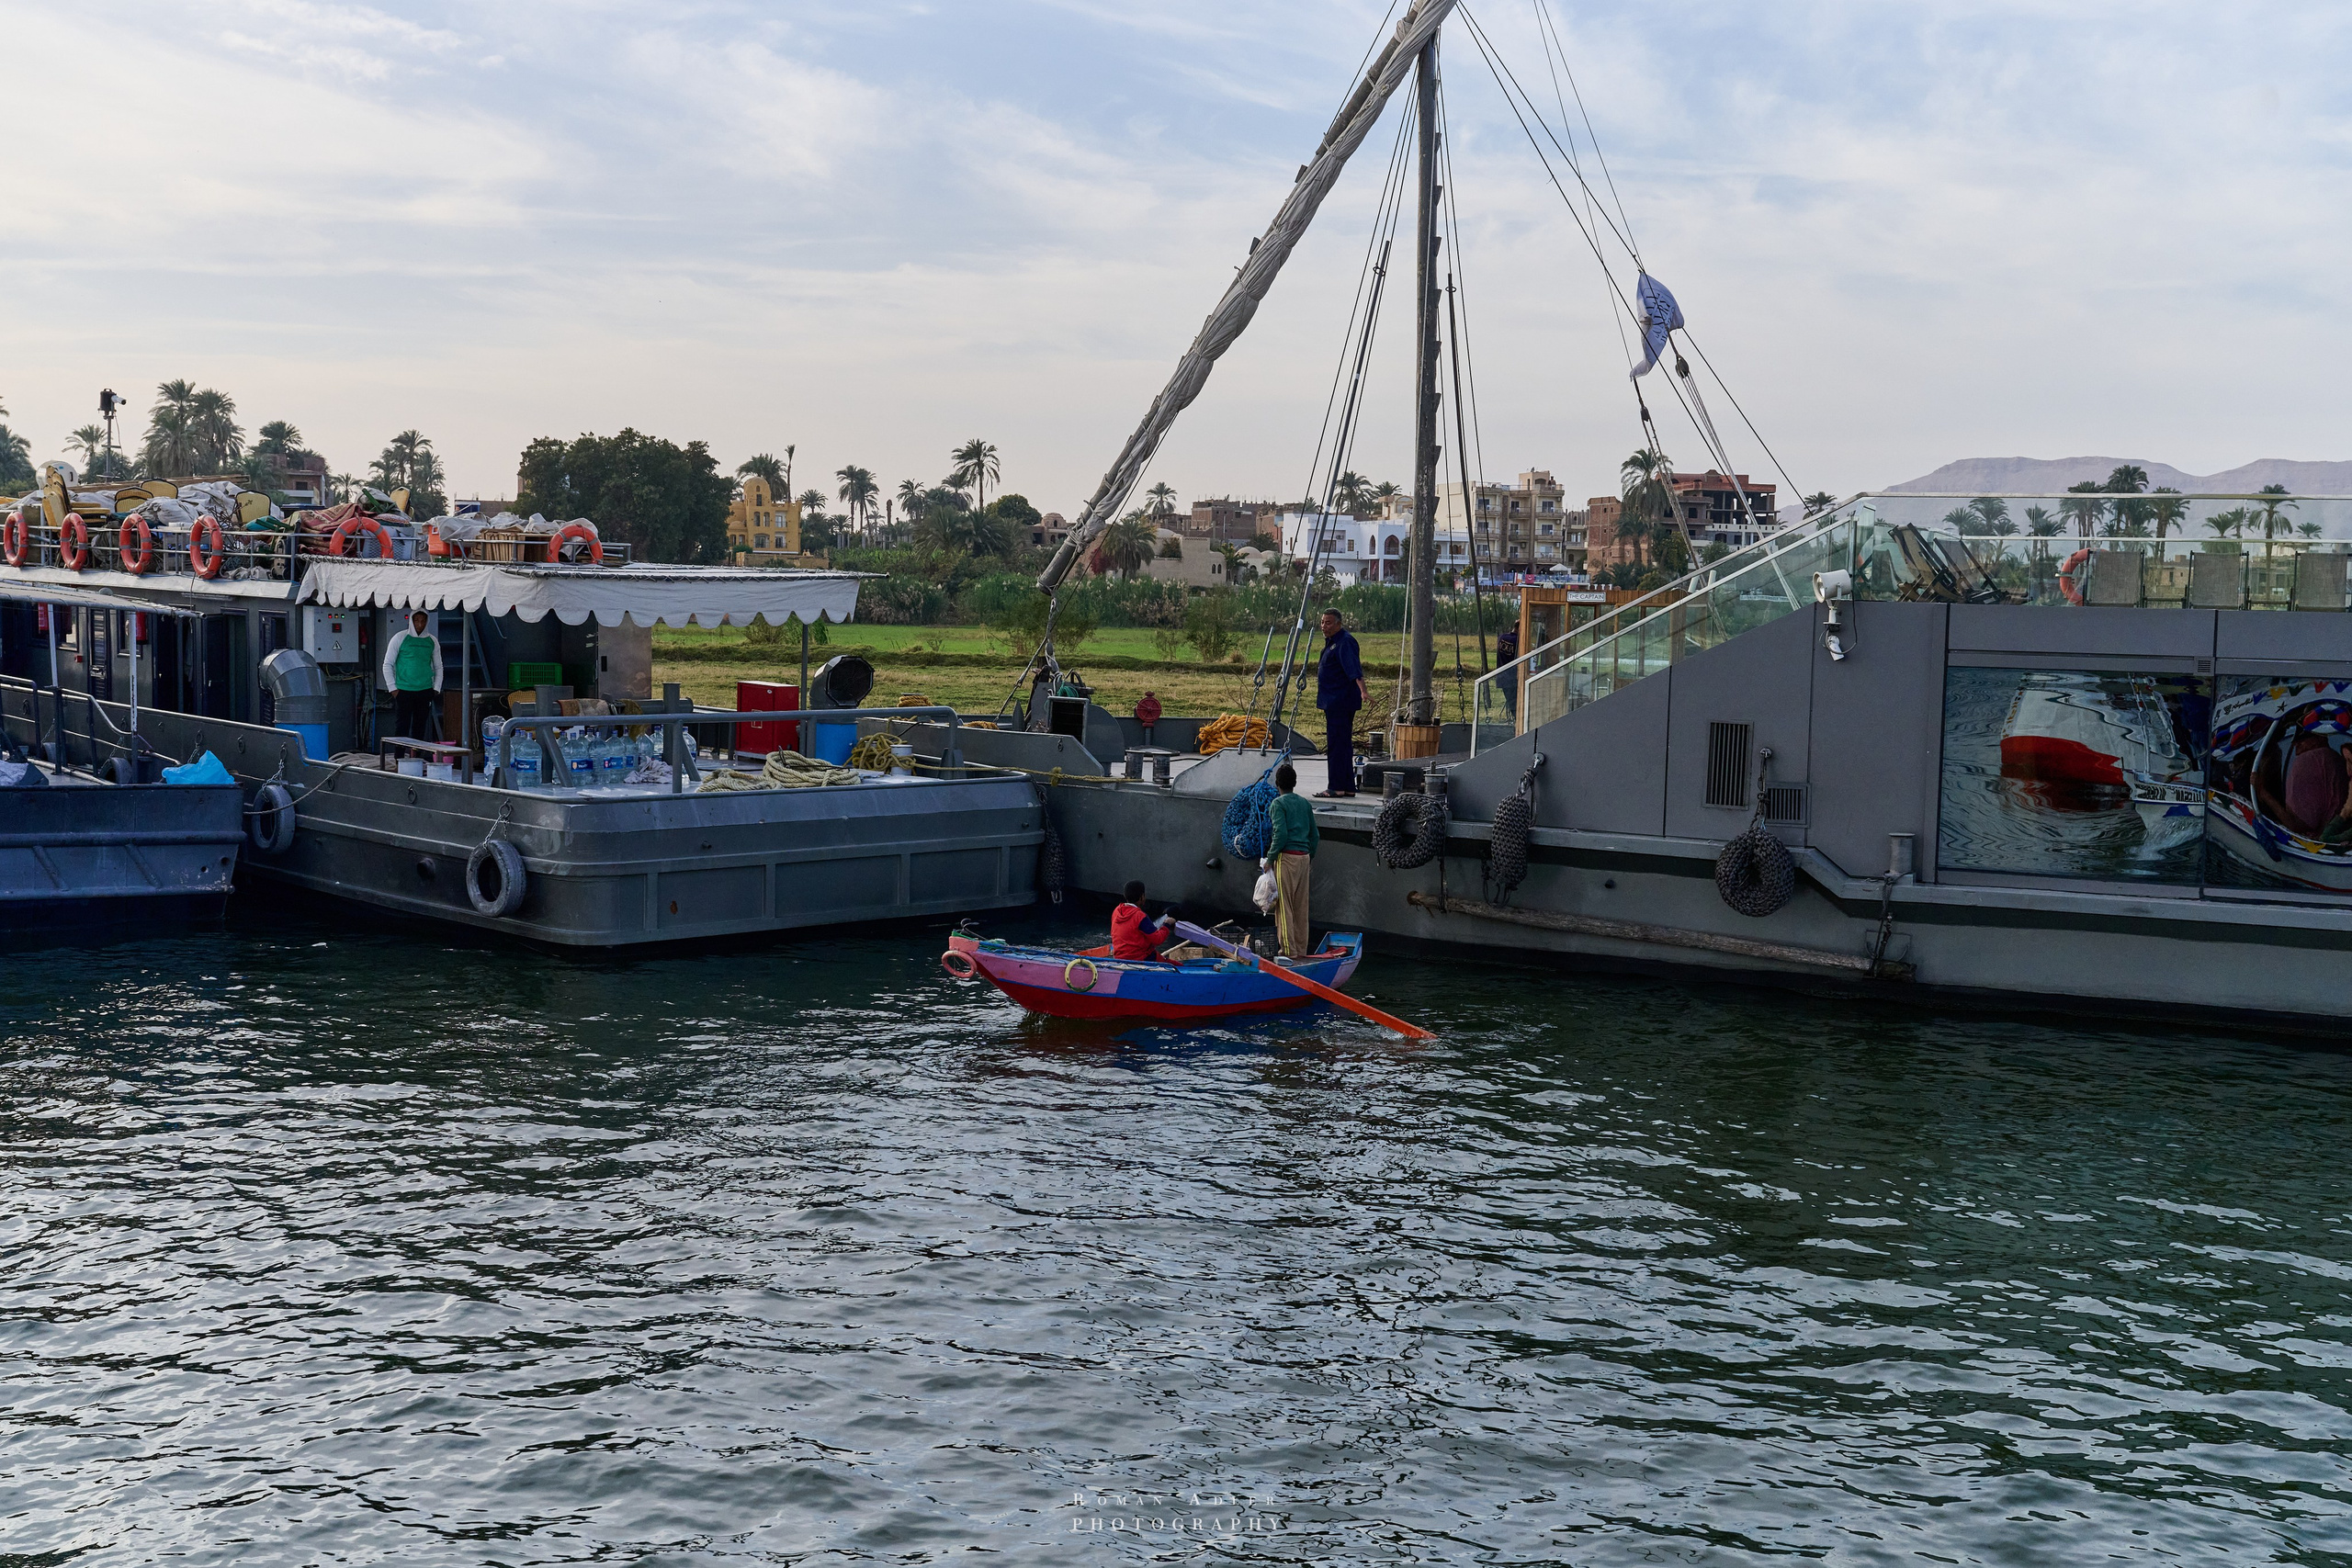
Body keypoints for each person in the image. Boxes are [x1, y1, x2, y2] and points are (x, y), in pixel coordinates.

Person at [1267, 761, 1319, 958]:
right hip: (1304, 858)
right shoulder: (1305, 804)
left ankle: (1288, 952)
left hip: (1286, 858)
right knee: (1300, 907)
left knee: (1284, 907)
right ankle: (1301, 950)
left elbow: (1279, 835)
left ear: (1277, 784)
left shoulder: (1277, 804)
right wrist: (1310, 857)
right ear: (1295, 783)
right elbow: (1315, 836)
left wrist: (1270, 859)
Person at [1313, 608, 1366, 797]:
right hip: (1333, 701)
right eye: (1322, 622)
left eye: (1328, 623)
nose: (1323, 626)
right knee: (1342, 744)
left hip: (1340, 702)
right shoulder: (1332, 643)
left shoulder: (1345, 642)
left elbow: (1354, 670)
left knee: (1336, 744)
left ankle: (1335, 786)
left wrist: (1363, 691)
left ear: (1338, 624)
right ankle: (1347, 787)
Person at [380, 608, 444, 745]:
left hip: (425, 690)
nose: (419, 625)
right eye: (416, 621)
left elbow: (438, 666)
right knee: (402, 727)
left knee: (420, 728)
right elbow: (387, 664)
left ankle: (417, 759)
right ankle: (399, 759)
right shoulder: (400, 638)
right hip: (404, 690)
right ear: (411, 621)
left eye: (423, 621)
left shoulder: (432, 641)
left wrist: (436, 688)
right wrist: (393, 688)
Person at [1110, 879, 1176, 961]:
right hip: (1140, 958)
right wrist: (1167, 925)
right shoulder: (1140, 916)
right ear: (1142, 896)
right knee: (1179, 966)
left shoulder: (1117, 911)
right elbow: (1158, 939)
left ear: (1125, 895)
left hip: (1119, 958)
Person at [1495, 625, 1520, 722]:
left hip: (1502, 678)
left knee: (1512, 703)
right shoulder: (1517, 641)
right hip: (1513, 679)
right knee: (1516, 706)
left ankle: (1515, 720)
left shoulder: (1501, 637)